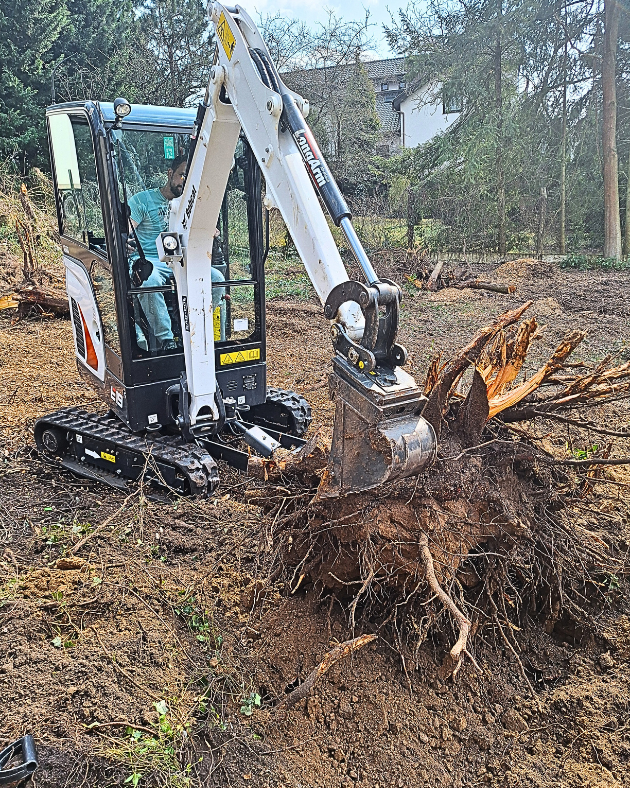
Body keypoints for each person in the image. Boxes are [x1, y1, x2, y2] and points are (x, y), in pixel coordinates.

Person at [128, 155, 187, 351]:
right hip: (150, 261)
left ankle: (196, 329)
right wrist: (125, 239)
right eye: (181, 175)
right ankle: (167, 340)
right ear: (170, 174)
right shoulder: (143, 200)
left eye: (189, 177)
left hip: (181, 261)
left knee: (216, 277)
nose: (184, 181)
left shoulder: (191, 206)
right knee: (149, 280)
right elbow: (127, 229)